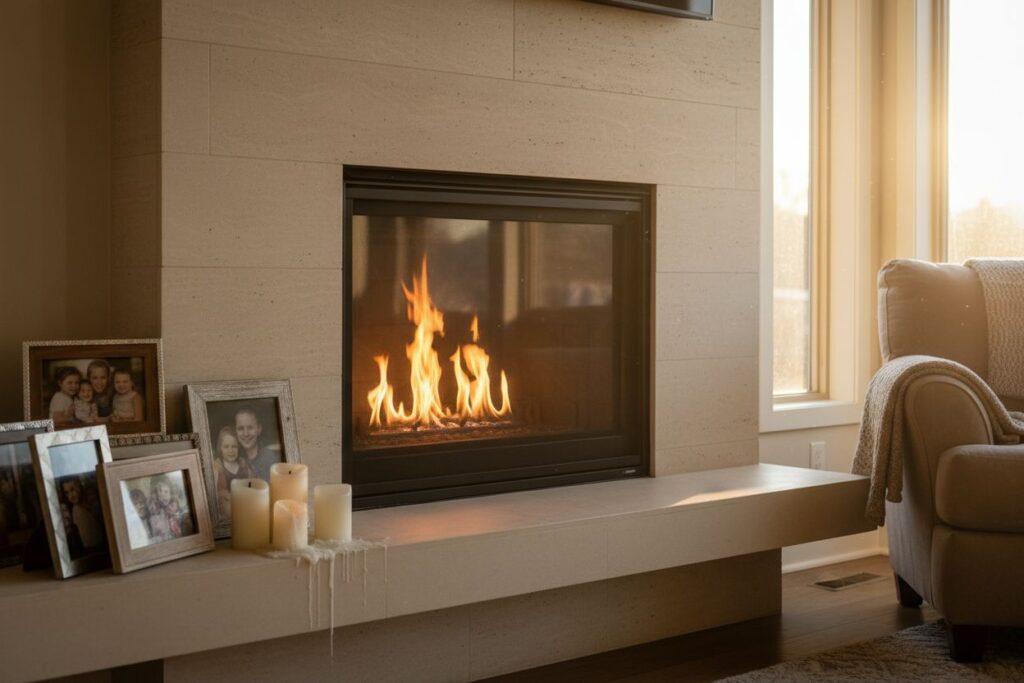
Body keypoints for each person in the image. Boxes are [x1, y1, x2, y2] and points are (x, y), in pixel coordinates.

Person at [212, 426, 250, 523]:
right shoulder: (218, 469)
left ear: (238, 448)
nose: (231, 450)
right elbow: (220, 495)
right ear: (220, 448)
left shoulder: (244, 466)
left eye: (234, 446)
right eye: (226, 447)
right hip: (229, 514)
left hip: (247, 508)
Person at [234, 407, 277, 481]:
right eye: (241, 428)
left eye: (250, 428)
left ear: (259, 429)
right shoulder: (230, 457)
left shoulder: (269, 458)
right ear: (235, 431)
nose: (246, 433)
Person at [146, 475, 193, 543]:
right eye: (160, 494)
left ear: (170, 492)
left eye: (166, 492)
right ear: (155, 495)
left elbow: (180, 516)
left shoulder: (174, 505)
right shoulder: (154, 512)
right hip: (163, 538)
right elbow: (155, 531)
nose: (163, 496)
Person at [61, 479, 104, 550]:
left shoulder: (89, 504)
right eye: (67, 493)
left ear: (79, 486)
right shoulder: (76, 509)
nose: (70, 496)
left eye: (72, 490)